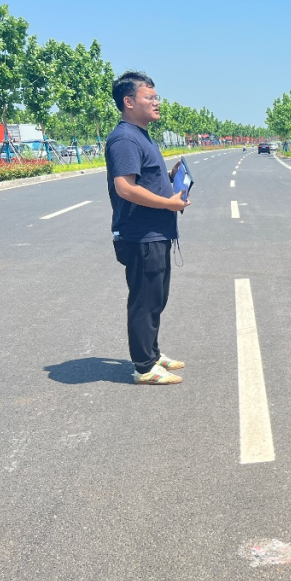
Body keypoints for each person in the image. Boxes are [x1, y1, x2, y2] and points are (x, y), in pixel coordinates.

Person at [106, 71, 190, 385]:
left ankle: (152, 353)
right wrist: (169, 203)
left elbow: (144, 179)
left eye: (156, 97)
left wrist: (169, 177)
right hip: (141, 235)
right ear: (129, 102)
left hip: (155, 232)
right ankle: (144, 367)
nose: (156, 103)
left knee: (156, 297)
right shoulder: (126, 138)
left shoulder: (141, 134)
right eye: (149, 98)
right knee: (144, 299)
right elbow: (125, 188)